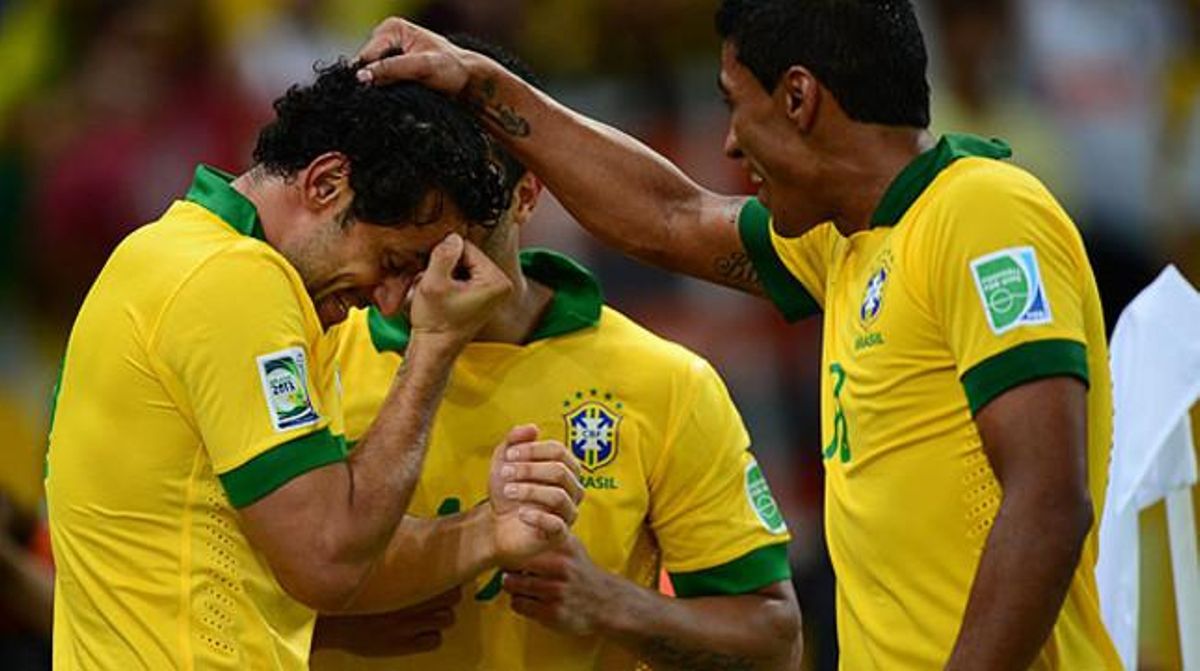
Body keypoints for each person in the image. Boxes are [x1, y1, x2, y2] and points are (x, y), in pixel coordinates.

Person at [354, 2, 1122, 668]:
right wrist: (481, 84)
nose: (727, 144)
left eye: (735, 104)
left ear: (798, 97)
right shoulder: (845, 243)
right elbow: (669, 217)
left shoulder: (982, 213)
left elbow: (1048, 499)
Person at [45, 61, 583, 669]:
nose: (389, 300)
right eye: (392, 260)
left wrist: (490, 531)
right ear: (327, 183)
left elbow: (318, 537)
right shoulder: (236, 283)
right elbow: (326, 560)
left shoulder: (167, 254)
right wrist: (434, 347)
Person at [308, 35, 802, 671]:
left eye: (458, 229)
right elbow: (209, 594)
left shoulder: (664, 381)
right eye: (404, 231)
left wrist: (612, 604)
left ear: (525, 193)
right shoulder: (309, 358)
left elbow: (775, 642)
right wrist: (337, 632)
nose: (433, 271)